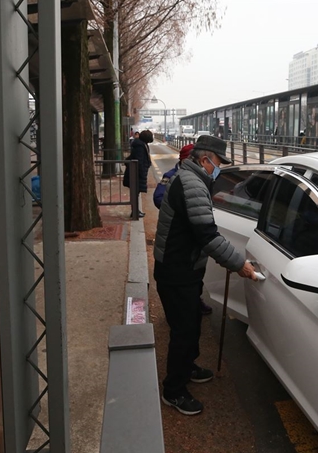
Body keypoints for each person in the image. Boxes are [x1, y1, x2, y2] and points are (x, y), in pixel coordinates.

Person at [153, 134, 258, 415]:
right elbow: (207, 235)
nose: (219, 168)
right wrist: (239, 264)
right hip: (177, 271)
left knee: (190, 323)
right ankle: (173, 390)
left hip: (182, 268)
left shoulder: (191, 179)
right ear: (204, 160)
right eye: (218, 163)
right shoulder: (192, 184)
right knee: (183, 330)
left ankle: (188, 367)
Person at [153, 144, 215, 316]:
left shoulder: (203, 178)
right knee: (184, 325)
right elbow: (158, 197)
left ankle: (196, 300)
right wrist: (179, 208)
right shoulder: (172, 177)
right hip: (179, 257)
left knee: (194, 283)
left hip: (190, 258)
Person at [123, 129, 152, 218]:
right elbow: (139, 161)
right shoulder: (140, 146)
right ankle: (135, 212)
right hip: (136, 174)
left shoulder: (141, 144)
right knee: (135, 193)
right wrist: (142, 172)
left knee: (136, 193)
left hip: (136, 173)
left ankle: (136, 211)